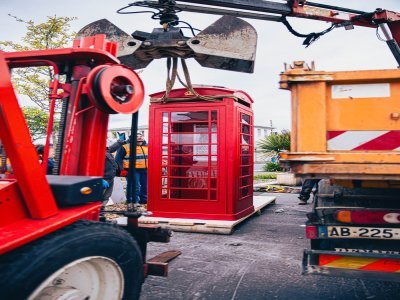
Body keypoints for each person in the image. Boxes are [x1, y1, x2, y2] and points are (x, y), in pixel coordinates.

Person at [116, 132, 148, 205]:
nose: (140, 138)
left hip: (145, 169)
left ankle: (144, 200)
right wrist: (122, 169)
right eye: (137, 137)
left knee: (145, 186)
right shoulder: (125, 147)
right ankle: (132, 201)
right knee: (134, 185)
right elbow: (118, 159)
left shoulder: (147, 146)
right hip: (132, 170)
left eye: (141, 137)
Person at [102, 139, 126, 208]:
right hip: (103, 178)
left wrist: (120, 142)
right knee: (98, 196)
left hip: (110, 177)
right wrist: (99, 179)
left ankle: (101, 209)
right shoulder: (97, 152)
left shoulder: (106, 151)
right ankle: (97, 211)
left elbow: (111, 148)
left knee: (106, 196)